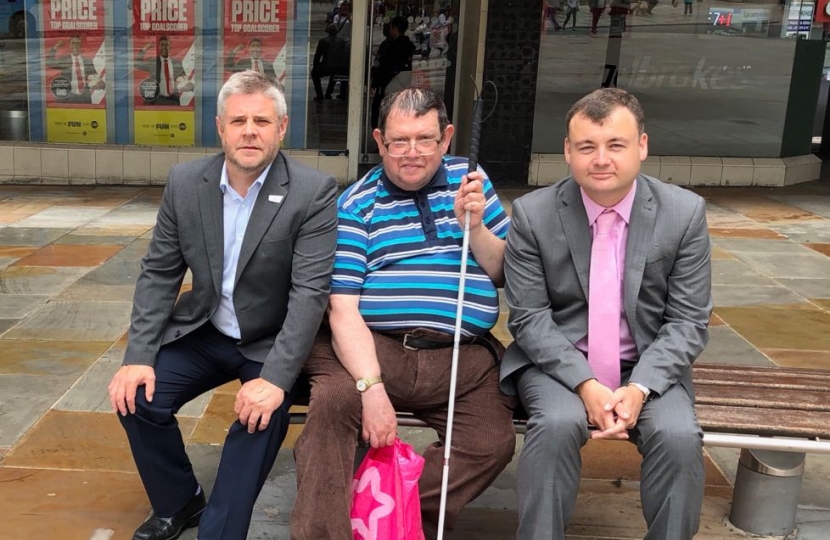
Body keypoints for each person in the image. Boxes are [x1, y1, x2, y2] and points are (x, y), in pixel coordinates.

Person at [108, 70, 338, 540]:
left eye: (261, 120)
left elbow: (309, 295)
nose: (249, 131)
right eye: (238, 121)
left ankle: (218, 532)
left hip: (270, 339)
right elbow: (159, 273)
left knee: (259, 418)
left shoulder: (312, 192)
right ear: (220, 128)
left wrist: (276, 379)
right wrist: (137, 357)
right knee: (136, 397)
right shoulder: (187, 182)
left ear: (281, 127)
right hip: (207, 328)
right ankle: (179, 501)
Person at [291, 87, 517, 540]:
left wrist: (474, 228)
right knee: (336, 402)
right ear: (379, 141)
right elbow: (343, 308)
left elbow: (502, 273)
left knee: (491, 441)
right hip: (379, 348)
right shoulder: (356, 202)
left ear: (447, 136)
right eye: (399, 141)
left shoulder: (473, 183)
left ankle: (391, 515)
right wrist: (372, 389)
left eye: (425, 139)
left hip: (463, 356)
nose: (412, 153)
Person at [500, 88, 712, 540]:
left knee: (677, 438)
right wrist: (585, 383)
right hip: (557, 364)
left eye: (615, 145)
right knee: (556, 425)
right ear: (567, 152)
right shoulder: (533, 214)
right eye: (586, 147)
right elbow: (528, 318)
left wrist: (638, 387)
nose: (601, 159)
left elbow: (688, 321)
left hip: (648, 365)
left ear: (642, 147)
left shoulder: (683, 213)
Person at [370, 16, 415, 127]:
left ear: (395, 29)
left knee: (380, 112)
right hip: (407, 83)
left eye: (390, 27)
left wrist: (375, 83)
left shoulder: (392, 46)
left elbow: (387, 67)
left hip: (391, 83)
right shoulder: (410, 46)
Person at [136, 36, 195, 106]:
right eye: (162, 45)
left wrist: (188, 85)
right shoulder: (153, 61)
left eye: (167, 45)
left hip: (172, 101)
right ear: (158, 47)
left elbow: (183, 78)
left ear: (170, 48)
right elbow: (137, 64)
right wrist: (144, 49)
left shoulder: (177, 63)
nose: (164, 47)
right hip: (155, 100)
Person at [46, 35, 105, 104]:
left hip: (84, 98)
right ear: (70, 45)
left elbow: (94, 77)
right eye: (73, 43)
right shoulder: (64, 60)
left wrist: (101, 83)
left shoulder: (88, 61)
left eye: (77, 43)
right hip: (68, 98)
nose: (75, 45)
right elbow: (49, 63)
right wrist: (55, 47)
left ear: (80, 45)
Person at [311, 24, 350, 101]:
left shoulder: (323, 41)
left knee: (314, 74)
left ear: (328, 31)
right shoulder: (343, 41)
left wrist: (316, 66)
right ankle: (340, 93)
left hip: (327, 66)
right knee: (342, 73)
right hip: (340, 68)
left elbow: (317, 55)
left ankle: (320, 94)